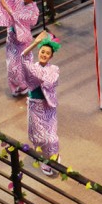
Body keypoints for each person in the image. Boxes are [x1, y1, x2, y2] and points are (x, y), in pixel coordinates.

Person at [20, 31, 61, 176]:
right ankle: (46, 160)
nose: (44, 54)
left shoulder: (54, 69)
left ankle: (52, 157)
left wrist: (36, 74)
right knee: (41, 137)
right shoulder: (33, 67)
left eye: (47, 53)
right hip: (35, 107)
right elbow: (23, 56)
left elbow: (50, 81)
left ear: (51, 56)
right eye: (42, 51)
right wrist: (36, 42)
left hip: (48, 106)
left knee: (52, 136)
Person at [0, 0, 41, 96]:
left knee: (20, 65)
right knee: (11, 65)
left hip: (21, 40)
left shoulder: (33, 10)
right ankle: (17, 86)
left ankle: (24, 85)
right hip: (12, 38)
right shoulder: (19, 1)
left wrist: (5, 6)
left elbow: (18, 17)